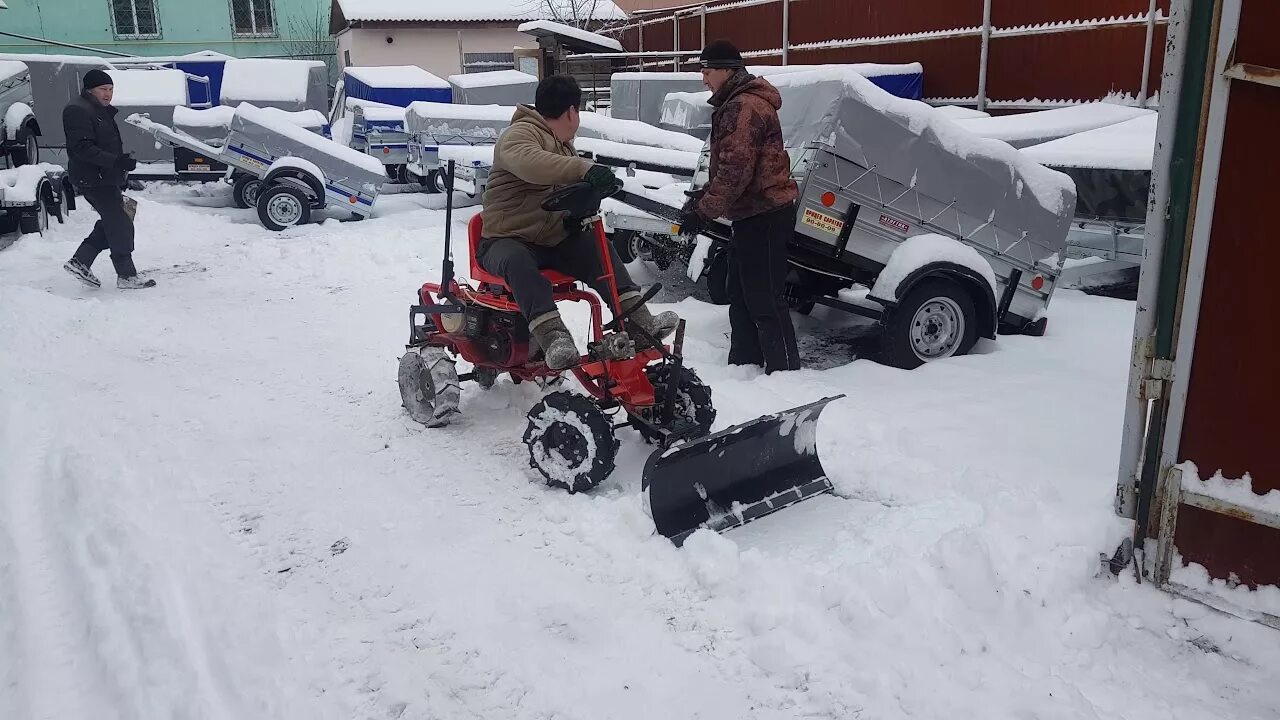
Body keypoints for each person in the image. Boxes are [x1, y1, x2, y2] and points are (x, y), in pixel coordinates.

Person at [478, 75, 677, 370]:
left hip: (550, 239)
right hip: (505, 240)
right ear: (572, 111)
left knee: (598, 248)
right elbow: (532, 164)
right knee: (518, 261)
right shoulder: (519, 135)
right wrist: (584, 169)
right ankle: (554, 339)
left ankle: (638, 321)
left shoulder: (562, 144)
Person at [679, 40, 800, 373]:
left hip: (764, 214)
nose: (703, 79)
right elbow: (738, 167)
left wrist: (704, 211)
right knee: (743, 294)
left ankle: (786, 375)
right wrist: (704, 194)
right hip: (753, 213)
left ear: (726, 69)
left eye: (706, 71)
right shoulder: (740, 102)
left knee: (763, 300)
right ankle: (744, 365)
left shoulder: (742, 107)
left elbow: (736, 170)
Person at [61, 69, 154, 290]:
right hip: (93, 178)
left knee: (115, 221)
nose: (108, 94)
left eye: (111, 89)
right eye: (103, 89)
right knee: (120, 223)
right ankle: (126, 275)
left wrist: (119, 165)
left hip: (105, 177)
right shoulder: (77, 110)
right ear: (89, 89)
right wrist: (116, 162)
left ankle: (80, 261)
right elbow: (83, 148)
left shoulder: (97, 109)